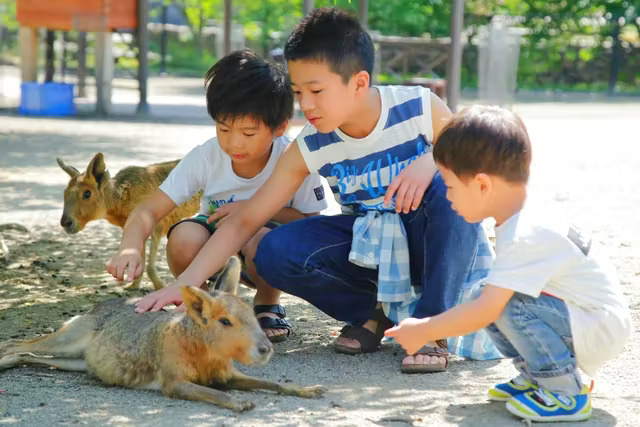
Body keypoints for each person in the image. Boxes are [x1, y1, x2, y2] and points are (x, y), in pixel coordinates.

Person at [132, 8, 492, 373]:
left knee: (450, 184)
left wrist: (432, 161)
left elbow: (476, 159)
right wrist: (185, 284)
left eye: (317, 91)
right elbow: (246, 221)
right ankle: (374, 311)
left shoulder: (417, 106)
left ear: (359, 82)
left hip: (431, 242)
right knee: (276, 248)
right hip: (371, 248)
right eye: (298, 92)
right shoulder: (311, 144)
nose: (306, 104)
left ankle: (432, 324)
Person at [385, 105, 633, 422]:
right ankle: (538, 375)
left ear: (482, 185)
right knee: (484, 292)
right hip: (588, 321)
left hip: (598, 329)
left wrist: (426, 328)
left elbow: (488, 310)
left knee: (501, 304)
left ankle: (565, 390)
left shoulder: (525, 234)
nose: (447, 197)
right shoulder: (523, 211)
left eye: (449, 186)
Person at [105, 49, 328, 343]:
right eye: (224, 128)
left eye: (248, 133)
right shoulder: (207, 155)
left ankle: (267, 302)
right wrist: (130, 246)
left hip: (265, 246)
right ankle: (204, 303)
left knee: (258, 238)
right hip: (214, 236)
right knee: (183, 237)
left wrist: (254, 209)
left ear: (280, 127)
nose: (233, 142)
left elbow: (310, 222)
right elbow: (149, 209)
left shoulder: (293, 157)